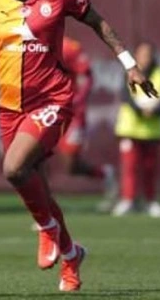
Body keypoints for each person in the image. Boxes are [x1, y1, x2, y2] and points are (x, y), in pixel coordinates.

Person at [0, 0, 158, 292]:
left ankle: (47, 229)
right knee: (37, 187)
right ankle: (71, 256)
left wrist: (129, 64)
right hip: (10, 109)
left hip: (53, 100)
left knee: (14, 169)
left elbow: (99, 23)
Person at [112, 42, 160, 218]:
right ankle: (128, 200)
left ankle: (150, 201)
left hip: (152, 130)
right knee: (129, 167)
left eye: (148, 54)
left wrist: (155, 110)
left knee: (150, 168)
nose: (145, 57)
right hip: (130, 129)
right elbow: (125, 95)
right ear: (136, 55)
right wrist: (140, 111)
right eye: (142, 54)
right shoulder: (129, 72)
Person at [57, 36, 116, 207]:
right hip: (46, 110)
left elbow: (87, 77)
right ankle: (42, 206)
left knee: (70, 165)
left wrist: (77, 100)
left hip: (72, 114)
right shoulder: (31, 44)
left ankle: (105, 174)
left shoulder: (69, 47)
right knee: (35, 157)